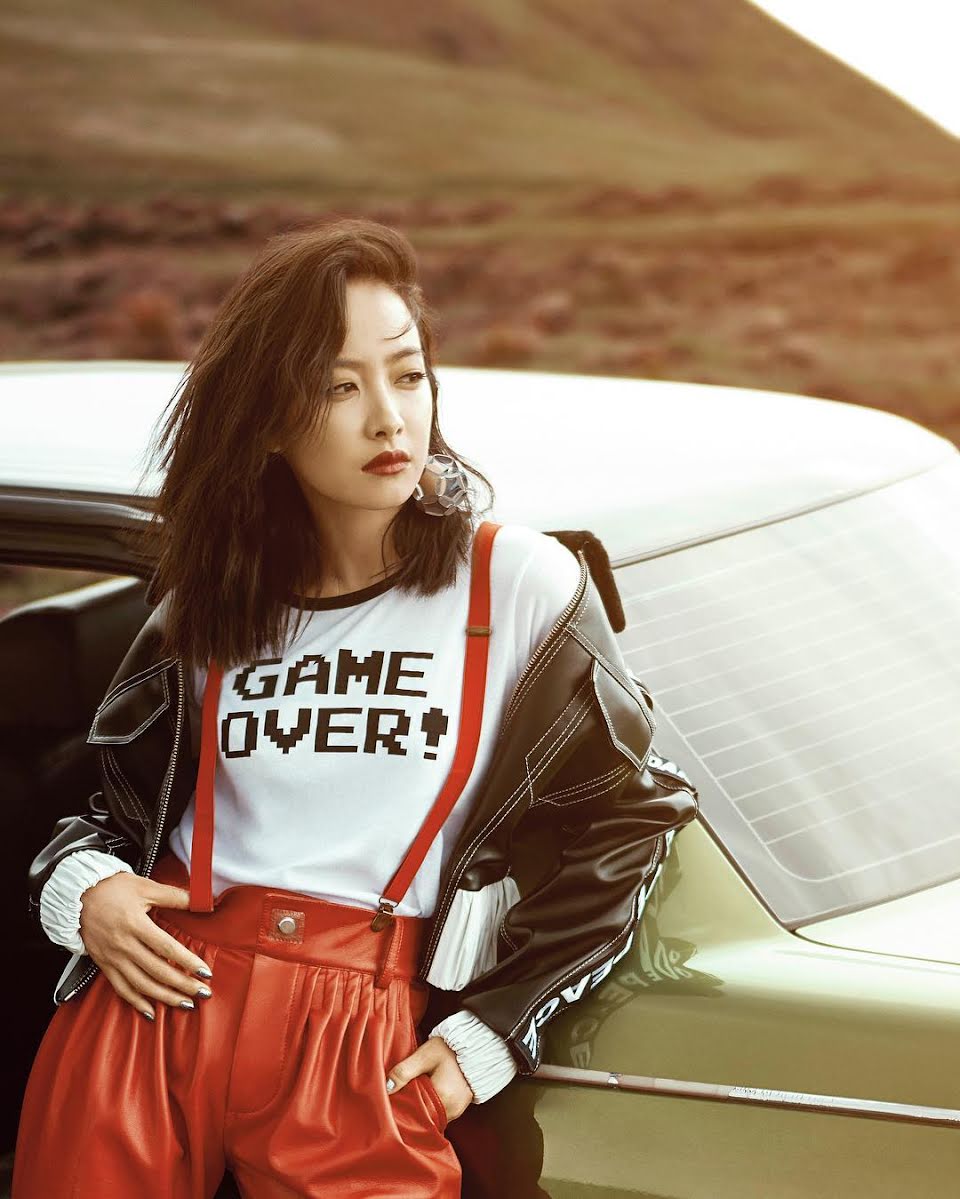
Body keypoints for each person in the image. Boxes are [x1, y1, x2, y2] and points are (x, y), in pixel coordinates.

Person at [13, 217, 700, 1198]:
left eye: (408, 375)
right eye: (339, 387)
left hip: (358, 1023)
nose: (389, 419)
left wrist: (494, 1028)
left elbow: (631, 816)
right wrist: (86, 888)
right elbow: (108, 809)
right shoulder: (207, 606)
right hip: (156, 993)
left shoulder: (514, 582)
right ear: (268, 419)